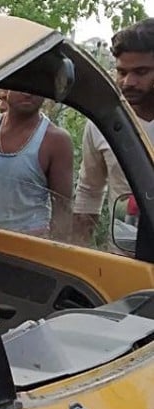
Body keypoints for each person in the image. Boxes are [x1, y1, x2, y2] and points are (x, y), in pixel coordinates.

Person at [73, 18, 154, 247]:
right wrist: (80, 252)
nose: (128, 82)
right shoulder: (104, 124)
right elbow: (89, 192)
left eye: (141, 72)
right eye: (122, 72)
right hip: (124, 259)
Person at [0, 90, 74, 238]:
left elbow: (62, 208)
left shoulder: (56, 141)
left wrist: (55, 254)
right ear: (6, 91)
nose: (29, 93)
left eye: (37, 86)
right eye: (23, 86)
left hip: (30, 243)